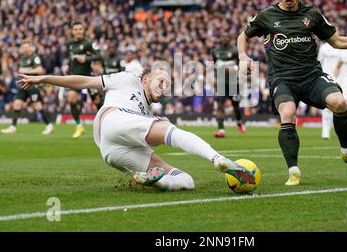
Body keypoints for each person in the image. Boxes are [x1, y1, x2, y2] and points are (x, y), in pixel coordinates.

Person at [237, 0, 347, 186]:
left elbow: (336, 41)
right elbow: (243, 36)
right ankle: (294, 171)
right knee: (288, 113)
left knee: (339, 102)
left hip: (311, 76)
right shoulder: (265, 16)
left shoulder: (313, 15)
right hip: (282, 79)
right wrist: (243, 56)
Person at [17, 69, 256, 191]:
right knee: (168, 129)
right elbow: (83, 82)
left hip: (112, 151)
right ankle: (218, 158)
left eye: (166, 86)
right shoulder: (128, 79)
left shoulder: (147, 112)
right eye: (160, 81)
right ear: (145, 79)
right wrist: (45, 78)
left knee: (185, 180)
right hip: (114, 120)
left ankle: (157, 180)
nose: (163, 88)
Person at [1, 40, 53, 135]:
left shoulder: (34, 57)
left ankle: (49, 125)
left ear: (30, 47)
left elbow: (40, 70)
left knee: (37, 106)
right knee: (17, 104)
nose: (24, 49)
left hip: (33, 85)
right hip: (23, 85)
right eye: (23, 47)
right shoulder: (22, 58)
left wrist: (26, 70)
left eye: (26, 47)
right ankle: (13, 127)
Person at [66, 21, 103, 139]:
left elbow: (99, 56)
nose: (78, 31)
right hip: (75, 77)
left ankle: (105, 126)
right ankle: (79, 126)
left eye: (80, 29)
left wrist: (86, 58)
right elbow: (71, 58)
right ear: (72, 31)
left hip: (88, 77)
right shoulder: (70, 44)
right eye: (75, 29)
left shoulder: (88, 43)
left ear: (83, 30)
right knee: (71, 99)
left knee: (97, 102)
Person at [212, 35, 246, 138]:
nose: (224, 39)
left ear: (230, 39)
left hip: (233, 83)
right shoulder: (215, 51)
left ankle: (239, 122)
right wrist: (215, 78)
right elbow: (215, 65)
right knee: (220, 106)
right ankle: (221, 129)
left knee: (235, 105)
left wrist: (234, 69)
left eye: (226, 37)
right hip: (221, 83)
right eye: (222, 37)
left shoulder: (235, 50)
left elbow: (241, 64)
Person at [317, 41, 341, 139]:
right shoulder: (323, 48)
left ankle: (338, 130)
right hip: (326, 79)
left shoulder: (340, 47)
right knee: (327, 107)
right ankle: (325, 132)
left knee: (341, 106)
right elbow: (319, 62)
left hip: (340, 79)